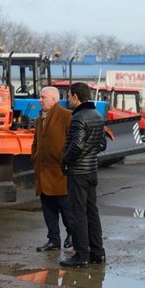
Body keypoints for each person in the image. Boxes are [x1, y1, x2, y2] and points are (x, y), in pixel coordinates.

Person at [59, 82, 107, 268]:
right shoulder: (97, 115)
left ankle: (81, 256)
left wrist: (65, 160)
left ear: (76, 97)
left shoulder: (79, 117)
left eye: (69, 95)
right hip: (91, 171)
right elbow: (102, 144)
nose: (67, 99)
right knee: (92, 212)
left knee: (78, 214)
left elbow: (77, 145)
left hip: (78, 172)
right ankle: (97, 252)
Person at [32, 86, 74, 252]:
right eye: (40, 97)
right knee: (48, 209)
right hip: (43, 171)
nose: (39, 100)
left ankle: (73, 235)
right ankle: (53, 239)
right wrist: (34, 156)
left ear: (54, 99)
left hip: (59, 172)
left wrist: (64, 160)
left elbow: (72, 142)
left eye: (43, 97)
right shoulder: (40, 118)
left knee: (66, 209)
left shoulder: (66, 116)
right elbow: (36, 141)